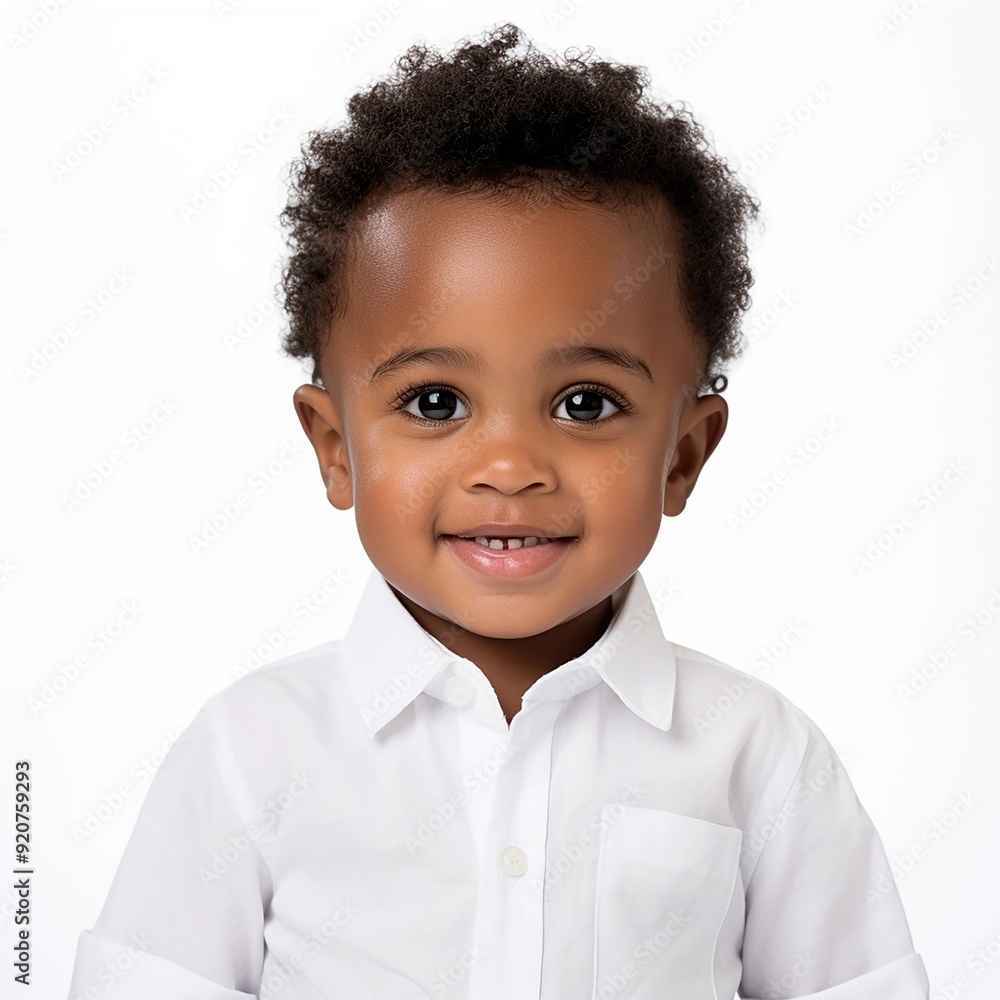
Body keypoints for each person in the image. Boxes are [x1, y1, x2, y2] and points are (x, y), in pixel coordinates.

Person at [67, 22, 929, 999]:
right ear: (334, 446)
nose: (510, 466)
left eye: (586, 403)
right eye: (435, 403)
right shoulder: (250, 751)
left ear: (683, 454)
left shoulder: (759, 756)